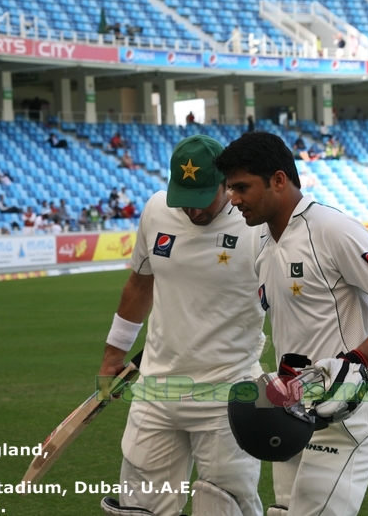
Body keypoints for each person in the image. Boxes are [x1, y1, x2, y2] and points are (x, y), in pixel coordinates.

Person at [214, 131, 368, 516]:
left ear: (278, 180)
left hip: (348, 409)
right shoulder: (260, 240)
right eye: (230, 188)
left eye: (242, 187)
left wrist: (354, 362)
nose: (233, 198)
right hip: (292, 408)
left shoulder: (331, 229)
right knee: (285, 511)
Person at [97, 135, 265, 516]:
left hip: (227, 393)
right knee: (140, 509)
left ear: (226, 183)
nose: (193, 210)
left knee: (224, 508)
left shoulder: (256, 225)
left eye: (203, 197)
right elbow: (140, 284)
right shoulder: (156, 210)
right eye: (184, 198)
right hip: (156, 390)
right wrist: (113, 355)